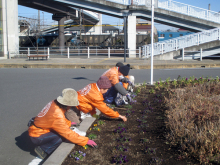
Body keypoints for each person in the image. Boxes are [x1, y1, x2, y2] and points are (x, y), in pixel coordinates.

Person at [28, 88, 97, 160]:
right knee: (61, 137)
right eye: (71, 105)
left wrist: (69, 123)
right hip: (36, 134)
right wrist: (85, 141)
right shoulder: (56, 115)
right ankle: (44, 149)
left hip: (38, 128)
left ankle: (46, 144)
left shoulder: (55, 103)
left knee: (62, 132)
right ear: (67, 104)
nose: (72, 107)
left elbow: (56, 120)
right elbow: (67, 133)